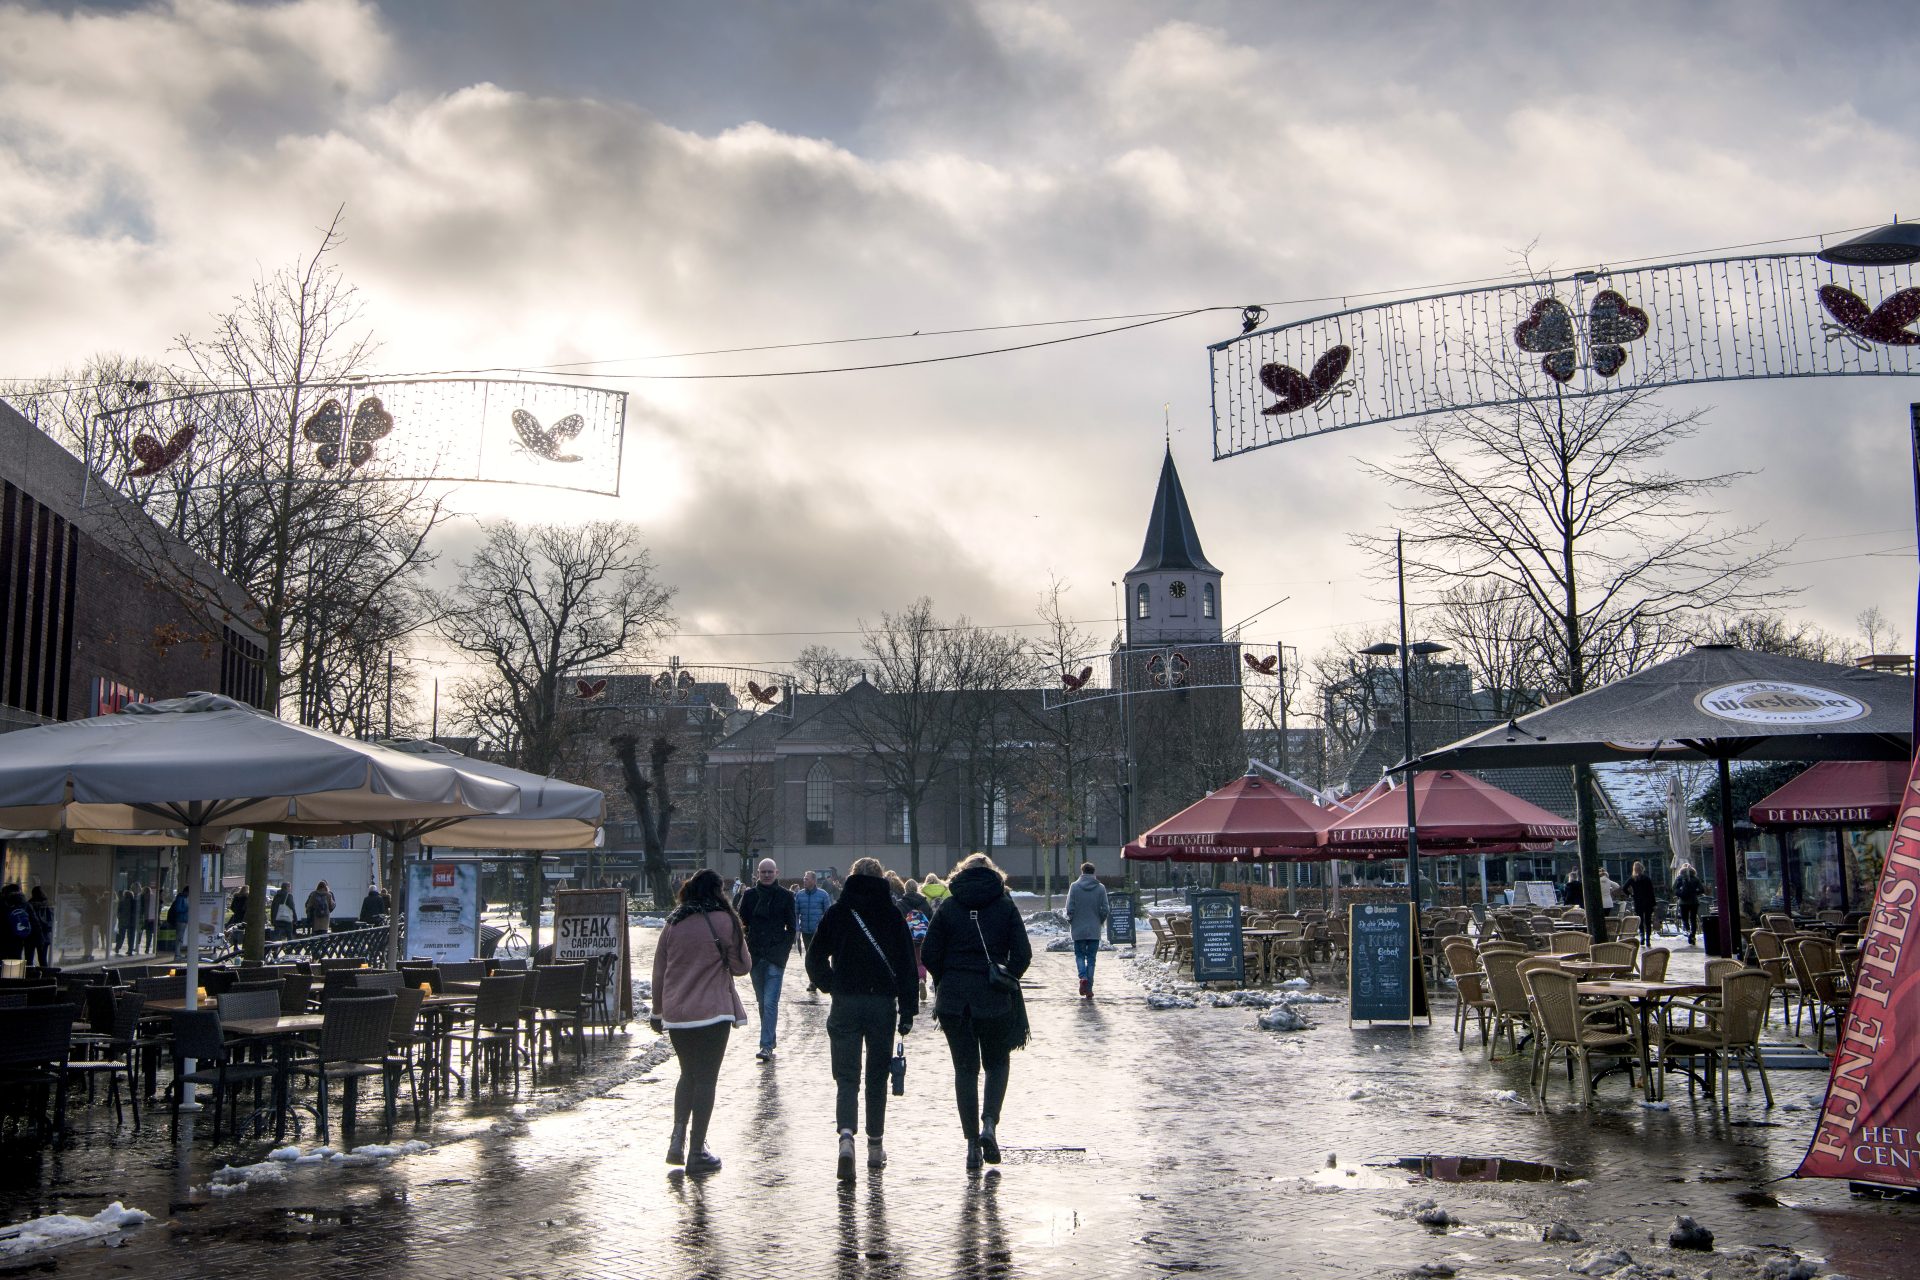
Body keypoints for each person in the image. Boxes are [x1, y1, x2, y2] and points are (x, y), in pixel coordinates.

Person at [804, 857, 918, 1181]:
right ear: (882, 878)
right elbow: (908, 967)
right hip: (882, 1004)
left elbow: (814, 957)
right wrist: (907, 1011)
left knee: (847, 1077)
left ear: (851, 877)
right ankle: (875, 1148)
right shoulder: (892, 914)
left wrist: (830, 983)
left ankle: (845, 1139)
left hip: (846, 1003)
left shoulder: (838, 912)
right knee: (876, 1079)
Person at [922, 852, 1033, 1172]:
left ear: (960, 873)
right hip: (994, 998)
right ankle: (989, 1125)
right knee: (997, 1062)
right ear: (993, 874)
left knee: (965, 1070)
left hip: (954, 1001)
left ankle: (972, 1145)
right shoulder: (1005, 904)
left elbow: (929, 953)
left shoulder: (949, 905)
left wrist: (947, 979)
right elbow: (1023, 954)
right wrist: (1006, 976)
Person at [649, 868, 750, 1174]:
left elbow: (658, 969)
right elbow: (742, 966)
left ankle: (676, 1140)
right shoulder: (725, 919)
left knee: (687, 1075)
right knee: (706, 1078)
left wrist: (657, 1011)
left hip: (678, 1014)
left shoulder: (673, 922)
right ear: (718, 891)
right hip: (713, 1012)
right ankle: (697, 1150)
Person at [735, 857, 797, 1062]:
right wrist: (745, 946)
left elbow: (792, 928)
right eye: (763, 872)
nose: (767, 875)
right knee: (762, 1002)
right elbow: (740, 923)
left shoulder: (786, 896)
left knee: (770, 1002)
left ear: (776, 873)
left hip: (775, 957)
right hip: (755, 955)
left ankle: (766, 1045)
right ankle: (770, 1037)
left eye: (770, 872)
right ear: (758, 874)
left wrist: (783, 951)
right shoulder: (750, 895)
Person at [1065, 862, 1111, 998]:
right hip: (1094, 929)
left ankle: (1082, 977)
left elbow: (1069, 908)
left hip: (1078, 929)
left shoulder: (1074, 887)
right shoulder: (1101, 888)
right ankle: (1089, 988)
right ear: (1093, 872)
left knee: (1079, 955)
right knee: (1091, 959)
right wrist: (1100, 920)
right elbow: (1105, 909)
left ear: (1082, 871)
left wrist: (1071, 920)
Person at [794, 871, 832, 991]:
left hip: (819, 933)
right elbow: (795, 913)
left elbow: (829, 913)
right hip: (806, 931)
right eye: (804, 879)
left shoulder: (823, 895)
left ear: (814, 881)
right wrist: (797, 928)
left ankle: (824, 979)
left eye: (807, 879)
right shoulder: (799, 895)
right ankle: (812, 981)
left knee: (820, 957)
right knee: (809, 958)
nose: (804, 881)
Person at [1625, 860, 1658, 947]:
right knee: (1648, 921)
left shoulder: (1632, 879)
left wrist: (1631, 894)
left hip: (1638, 901)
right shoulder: (1647, 878)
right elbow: (1651, 892)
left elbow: (1624, 888)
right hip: (1648, 902)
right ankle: (1648, 939)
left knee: (1640, 920)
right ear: (1642, 869)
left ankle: (1642, 936)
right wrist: (1654, 904)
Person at [1672, 861, 1705, 945]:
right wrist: (1694, 893)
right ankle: (1692, 934)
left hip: (1683, 902)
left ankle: (1687, 930)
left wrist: (1680, 894)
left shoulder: (1679, 878)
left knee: (1685, 919)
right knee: (1693, 919)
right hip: (1694, 901)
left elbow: (1674, 888)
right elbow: (1702, 890)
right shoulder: (1695, 878)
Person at [1, 883, 30, 967]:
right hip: (18, 940)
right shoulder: (24, 904)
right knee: (15, 963)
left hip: (3, 939)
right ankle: (14, 979)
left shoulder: (2, 903)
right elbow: (34, 922)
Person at [26, 886, 53, 969]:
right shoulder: (47, 905)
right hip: (44, 935)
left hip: (31, 935)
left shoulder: (29, 905)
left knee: (29, 959)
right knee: (42, 959)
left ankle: (29, 976)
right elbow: (50, 921)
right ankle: (45, 977)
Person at [167, 886, 190, 958]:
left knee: (181, 937)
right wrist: (186, 909)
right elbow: (178, 909)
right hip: (180, 920)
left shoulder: (186, 898)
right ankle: (177, 953)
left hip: (184, 920)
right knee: (179, 937)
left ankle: (178, 952)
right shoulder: (181, 898)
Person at [117, 885, 139, 955]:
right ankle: (130, 950)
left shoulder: (122, 902)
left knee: (121, 935)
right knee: (131, 937)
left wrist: (120, 918)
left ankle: (118, 947)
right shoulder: (135, 902)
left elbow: (118, 912)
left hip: (123, 921)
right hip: (132, 922)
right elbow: (136, 912)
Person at [139, 883, 157, 953]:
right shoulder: (153, 897)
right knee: (149, 935)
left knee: (139, 932)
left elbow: (140, 909)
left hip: (143, 918)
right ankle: (147, 948)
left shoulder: (141, 897)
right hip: (151, 918)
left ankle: (137, 946)